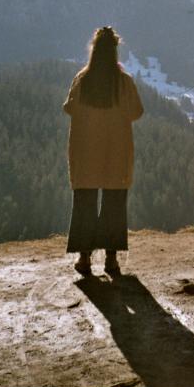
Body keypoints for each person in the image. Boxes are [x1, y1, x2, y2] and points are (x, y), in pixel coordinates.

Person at [63, 26, 144, 276]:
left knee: (85, 203)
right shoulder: (124, 82)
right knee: (114, 205)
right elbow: (136, 112)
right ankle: (111, 260)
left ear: (94, 50)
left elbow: (69, 108)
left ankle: (84, 259)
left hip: (86, 154)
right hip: (116, 154)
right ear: (115, 52)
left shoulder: (83, 80)